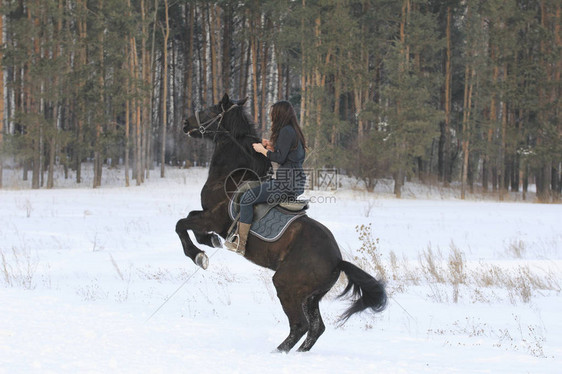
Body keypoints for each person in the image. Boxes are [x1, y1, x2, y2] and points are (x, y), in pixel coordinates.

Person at [225, 100, 306, 255]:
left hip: (285, 183)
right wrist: (271, 147)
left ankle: (240, 244)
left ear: (280, 114)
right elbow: (288, 155)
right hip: (295, 182)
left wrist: (263, 150)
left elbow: (280, 159)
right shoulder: (294, 131)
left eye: (272, 113)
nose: (271, 116)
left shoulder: (286, 131)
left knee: (247, 198)